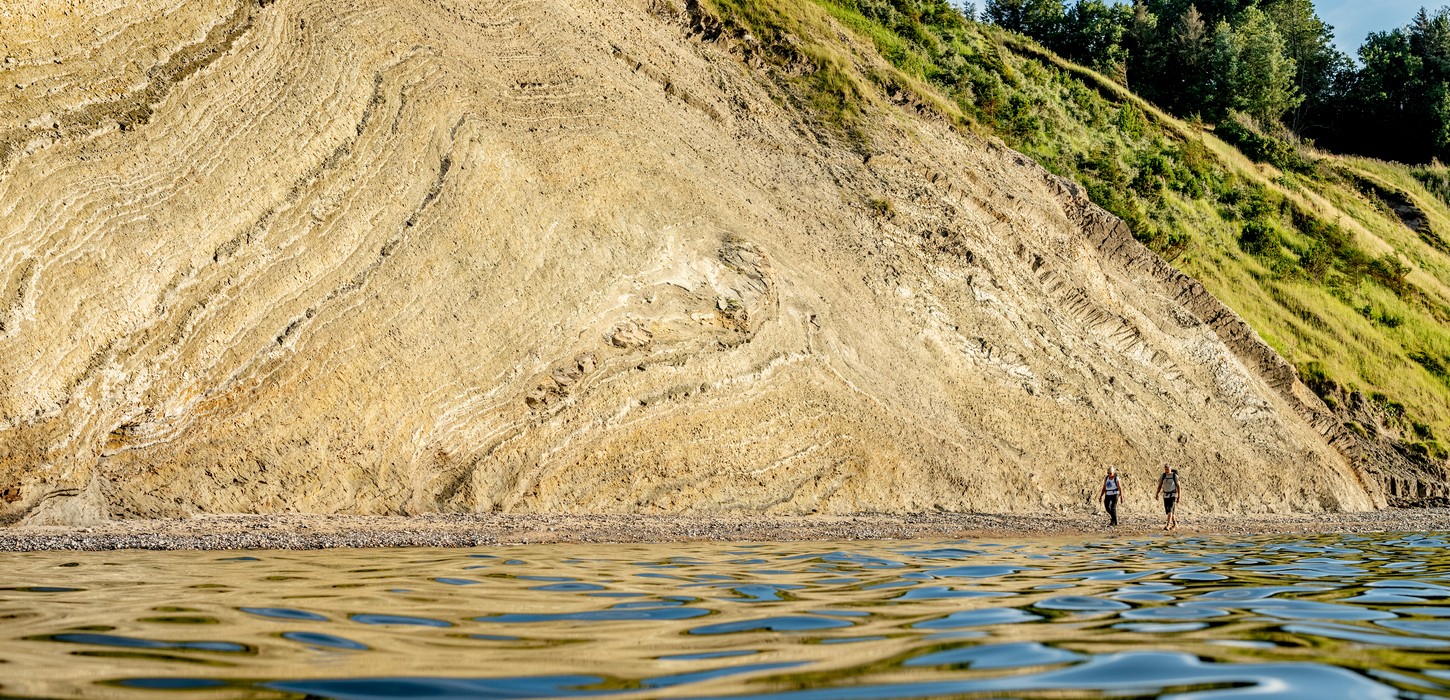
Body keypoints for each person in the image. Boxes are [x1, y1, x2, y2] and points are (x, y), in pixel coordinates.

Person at [1154, 463, 1181, 531]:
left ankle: (1168, 524)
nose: (1167, 470)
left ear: (1170, 468)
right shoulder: (1163, 476)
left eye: (1168, 469)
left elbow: (1178, 487)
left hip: (1172, 495)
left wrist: (1179, 497)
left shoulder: (1174, 476)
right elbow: (1160, 485)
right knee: (1169, 511)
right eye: (1165, 469)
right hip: (1165, 495)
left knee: (1170, 510)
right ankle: (1175, 524)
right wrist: (1157, 494)